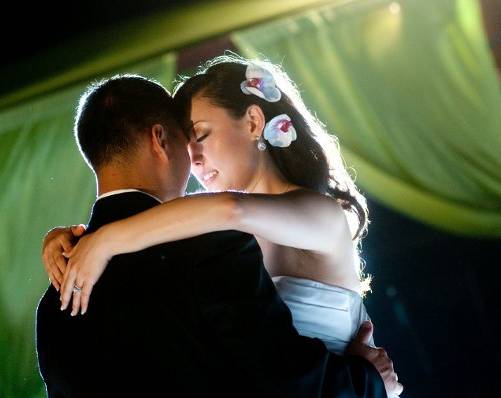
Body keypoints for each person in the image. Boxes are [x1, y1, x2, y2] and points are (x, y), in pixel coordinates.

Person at [37, 72, 399, 397]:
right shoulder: (210, 244)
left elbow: (230, 209)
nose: (193, 158)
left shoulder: (55, 303)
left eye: (200, 136)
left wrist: (103, 239)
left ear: (254, 120)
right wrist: (71, 236)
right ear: (160, 140)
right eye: (187, 143)